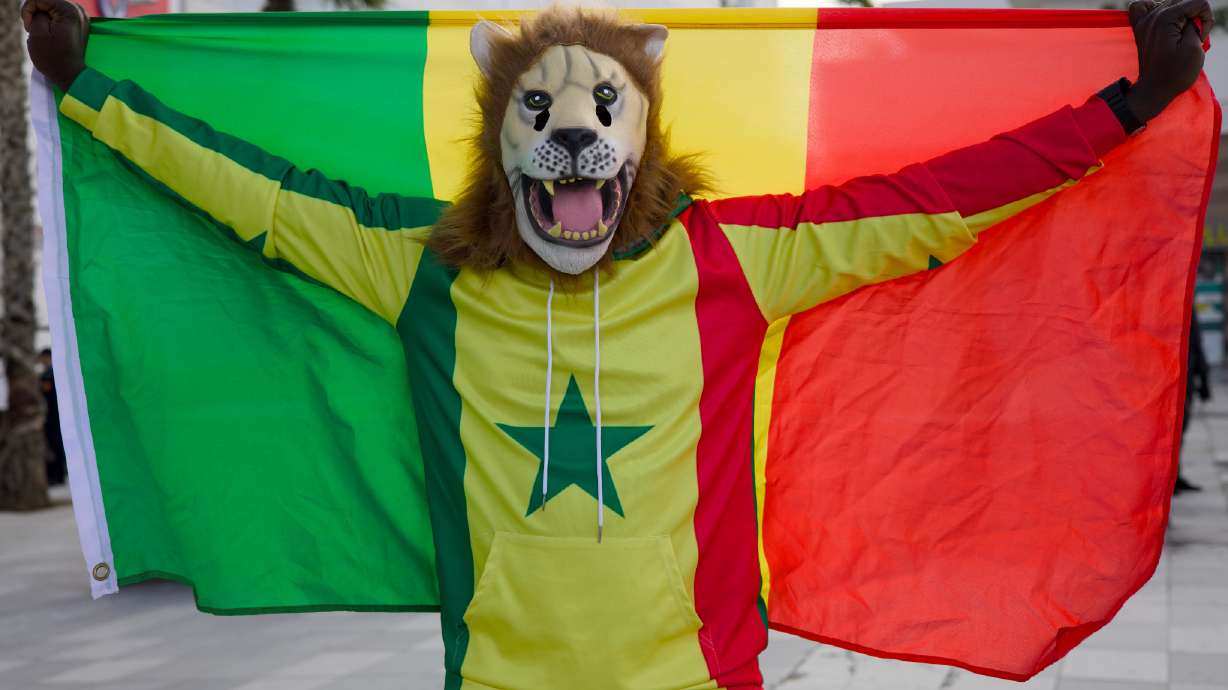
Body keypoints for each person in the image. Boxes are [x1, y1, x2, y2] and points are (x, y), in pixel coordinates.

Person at [21, 0, 1211, 687]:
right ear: (503, 139)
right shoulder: (425, 269)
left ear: (640, 139)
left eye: (603, 114)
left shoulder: (728, 259)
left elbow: (934, 204)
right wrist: (87, 89)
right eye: (542, 112)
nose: (576, 137)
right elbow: (263, 199)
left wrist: (1127, 107)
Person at [1177, 310, 1211, 494]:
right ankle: (1170, 479)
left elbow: (1196, 344)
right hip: (1179, 380)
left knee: (1179, 431)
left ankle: (1173, 477)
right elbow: (1196, 344)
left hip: (1184, 378)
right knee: (1175, 431)